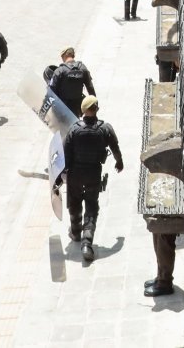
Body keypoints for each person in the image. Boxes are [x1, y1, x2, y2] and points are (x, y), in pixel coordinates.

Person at [61, 96, 123, 262]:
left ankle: (75, 231)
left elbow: (65, 156)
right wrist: (119, 162)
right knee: (91, 208)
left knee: (74, 203)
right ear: (97, 109)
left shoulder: (73, 130)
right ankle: (87, 243)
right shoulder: (105, 129)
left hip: (75, 175)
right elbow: (115, 147)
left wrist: (61, 175)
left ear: (83, 110)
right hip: (93, 175)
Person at [47, 47, 95, 120]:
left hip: (62, 108)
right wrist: (93, 105)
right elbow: (90, 88)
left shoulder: (60, 70)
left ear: (65, 55)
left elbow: (51, 90)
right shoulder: (82, 68)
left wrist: (45, 107)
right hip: (77, 107)